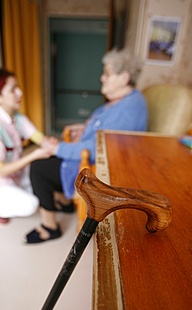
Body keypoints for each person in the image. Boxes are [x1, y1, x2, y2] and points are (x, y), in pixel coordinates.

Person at [24, 48, 148, 243]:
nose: (102, 78)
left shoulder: (129, 109)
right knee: (48, 157)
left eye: (107, 74)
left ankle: (50, 226)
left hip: (96, 166)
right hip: (91, 154)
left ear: (124, 78)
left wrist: (58, 149)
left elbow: (100, 148)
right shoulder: (122, 101)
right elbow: (105, 127)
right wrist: (84, 128)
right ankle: (65, 203)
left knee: (39, 167)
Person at [0, 68, 52, 225]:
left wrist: (53, 144)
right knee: (31, 205)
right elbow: (0, 170)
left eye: (18, 87)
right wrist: (34, 154)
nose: (20, 93)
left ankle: (15, 192)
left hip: (14, 173)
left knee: (42, 179)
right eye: (13, 89)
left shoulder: (17, 117)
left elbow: (38, 137)